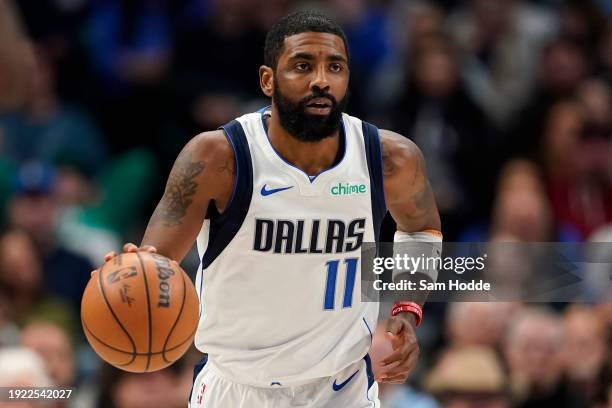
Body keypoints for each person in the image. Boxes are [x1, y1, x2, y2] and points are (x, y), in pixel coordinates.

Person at [105, 11, 441, 407]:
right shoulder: (218, 157)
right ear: (268, 79)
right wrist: (131, 277)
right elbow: (157, 264)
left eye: (335, 66)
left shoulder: (389, 158)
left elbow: (421, 230)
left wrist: (406, 309)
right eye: (303, 66)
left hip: (341, 387)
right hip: (236, 389)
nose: (321, 80)